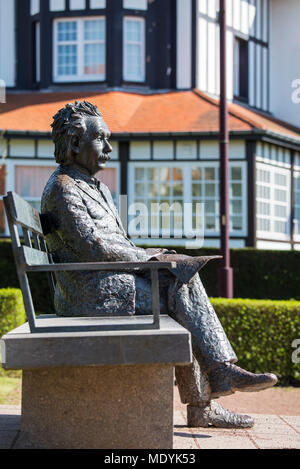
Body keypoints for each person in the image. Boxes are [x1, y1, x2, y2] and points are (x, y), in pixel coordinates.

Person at [41, 101, 277, 428]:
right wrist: (152, 260)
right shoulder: (62, 188)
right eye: (101, 139)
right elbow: (94, 247)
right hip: (87, 292)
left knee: (181, 276)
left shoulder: (98, 189)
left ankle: (214, 384)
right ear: (75, 142)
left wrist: (158, 255)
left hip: (107, 282)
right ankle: (211, 390)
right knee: (179, 287)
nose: (109, 147)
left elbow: (118, 245)